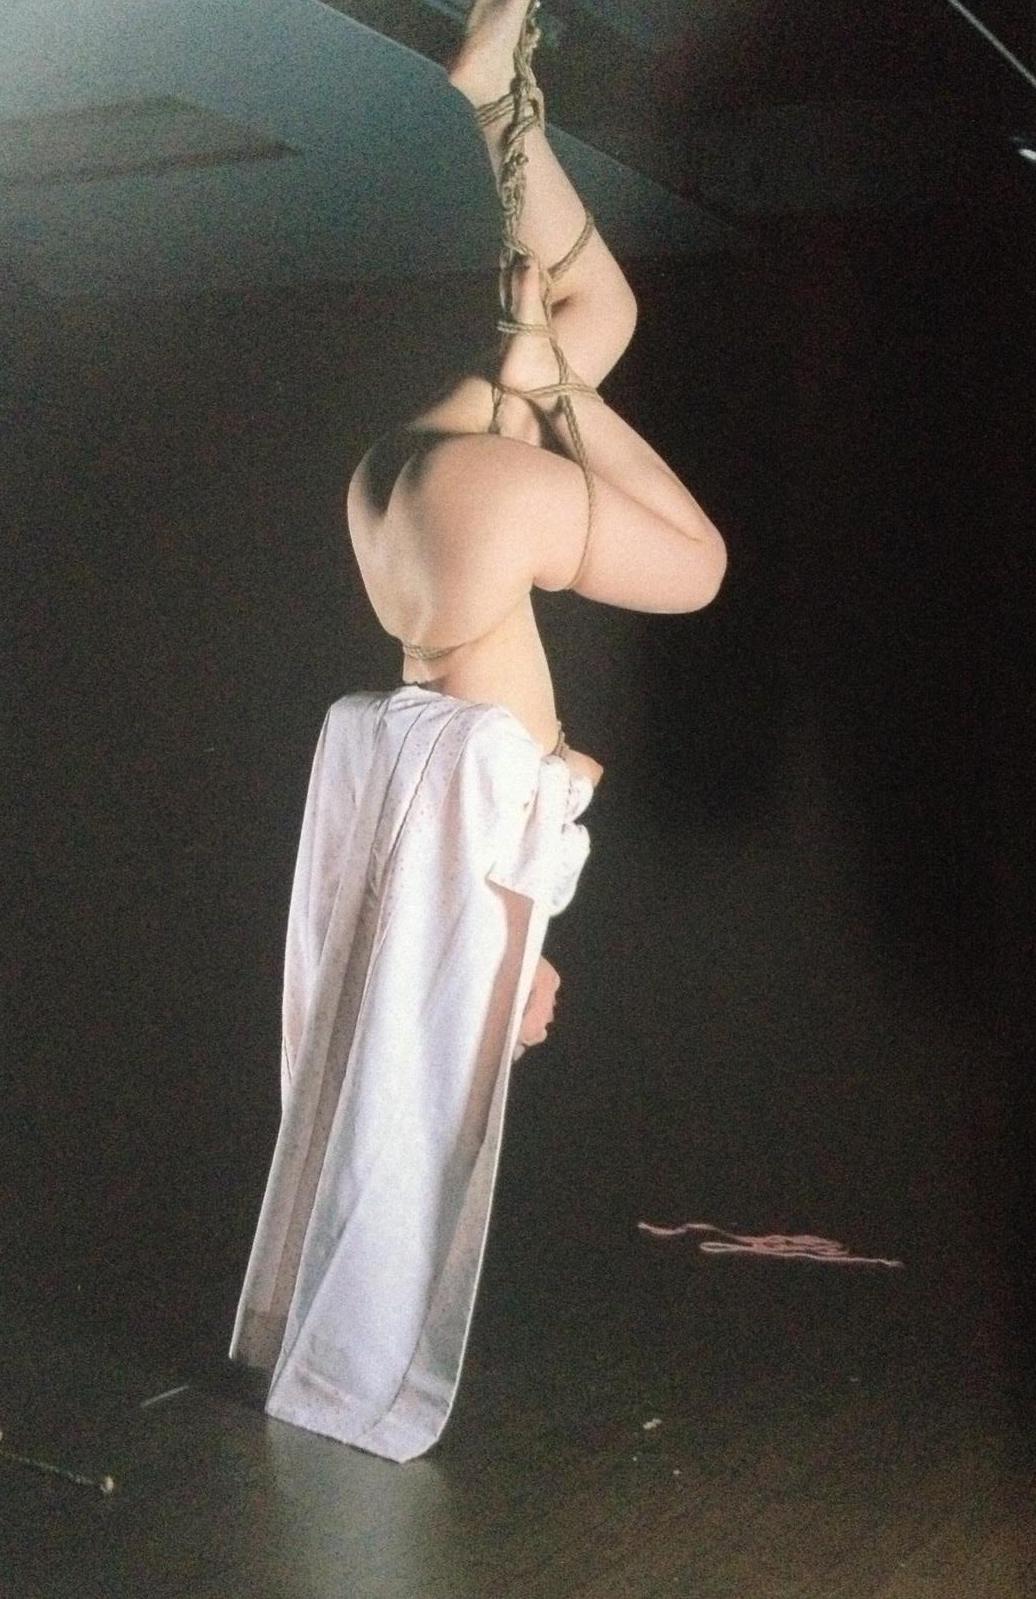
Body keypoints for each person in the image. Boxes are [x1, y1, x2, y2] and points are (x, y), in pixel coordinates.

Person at [346, 0, 728, 1053]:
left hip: (473, 537)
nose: (544, 1031)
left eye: (522, 1037)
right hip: (393, 515)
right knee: (602, 309)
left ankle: (551, 376)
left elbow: (467, 1008)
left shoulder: (495, 918)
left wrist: (493, 1016)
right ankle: (492, 94)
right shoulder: (428, 872)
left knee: (700, 569)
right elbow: (573, 770)